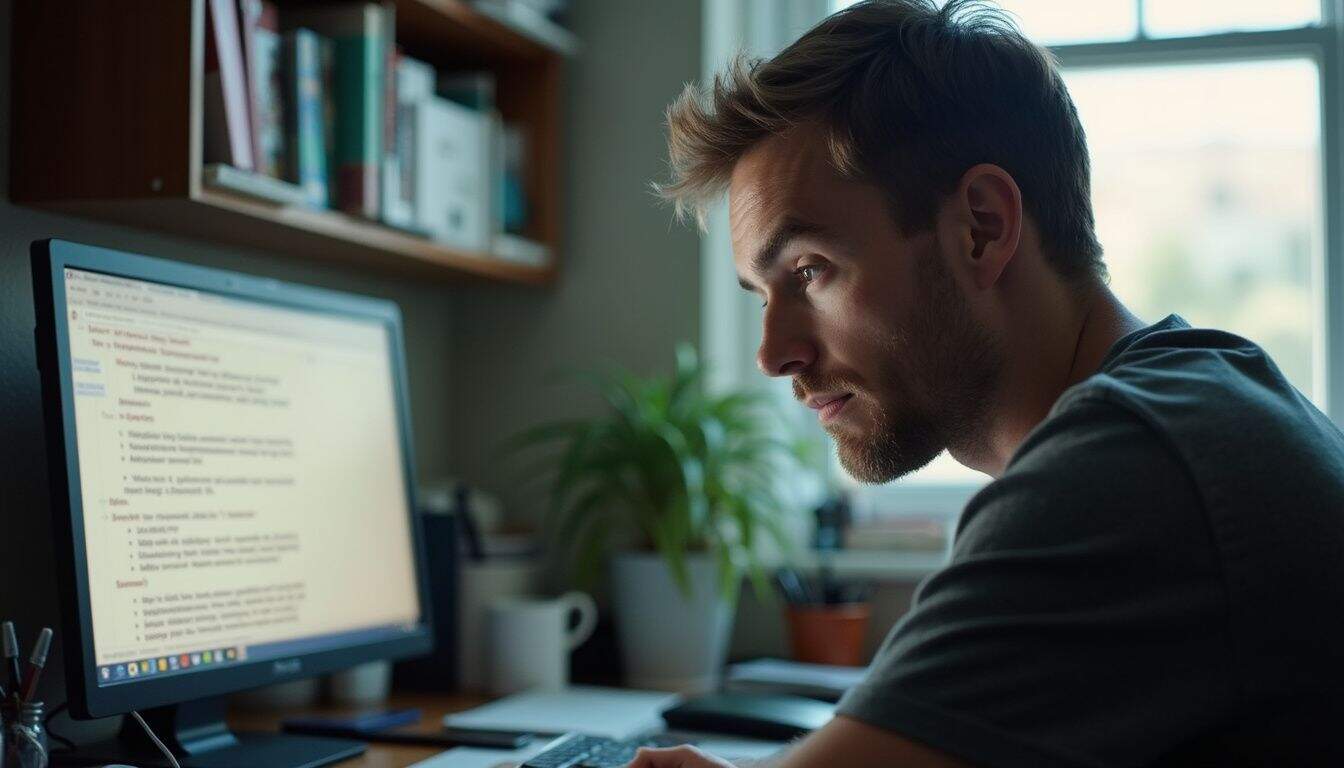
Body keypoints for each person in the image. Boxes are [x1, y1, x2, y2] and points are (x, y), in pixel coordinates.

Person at [627, 0, 1344, 766]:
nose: (774, 354)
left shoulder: (1135, 463)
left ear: (983, 226)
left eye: (810, 270)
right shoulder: (1201, 397)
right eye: (763, 295)